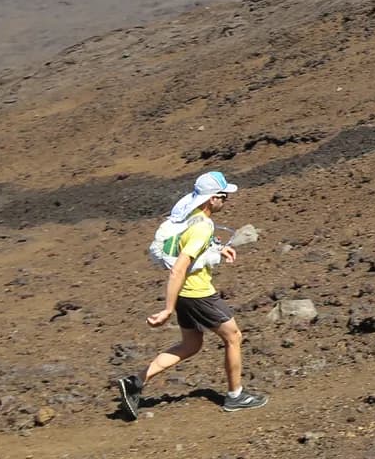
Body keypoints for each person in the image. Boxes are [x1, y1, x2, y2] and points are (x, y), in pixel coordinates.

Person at [114, 171, 267, 417]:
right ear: (212, 199)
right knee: (234, 337)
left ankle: (135, 382)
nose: (226, 201)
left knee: (191, 344)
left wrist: (219, 249)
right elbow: (179, 268)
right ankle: (235, 396)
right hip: (198, 293)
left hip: (186, 294)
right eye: (224, 196)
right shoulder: (202, 226)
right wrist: (167, 308)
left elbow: (191, 247)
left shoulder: (191, 216)